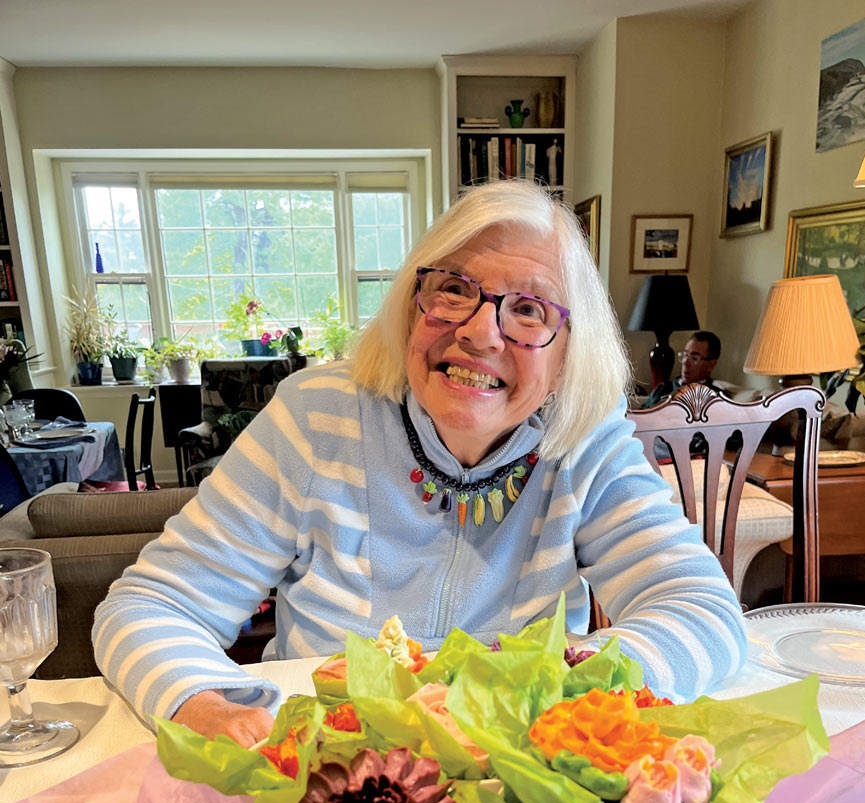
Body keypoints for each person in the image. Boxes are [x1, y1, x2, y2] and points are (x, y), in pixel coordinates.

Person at [93, 181, 746, 746]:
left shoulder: (587, 440)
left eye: (528, 309)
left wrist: (571, 695)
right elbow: (150, 606)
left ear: (568, 353)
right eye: (455, 290)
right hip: (333, 772)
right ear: (412, 305)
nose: (479, 331)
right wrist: (201, 702)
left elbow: (701, 612)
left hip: (521, 777)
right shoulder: (315, 418)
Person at [643, 331, 724, 406]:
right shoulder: (663, 389)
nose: (685, 362)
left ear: (711, 365)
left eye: (694, 358)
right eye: (685, 355)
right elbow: (639, 417)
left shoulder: (716, 398)